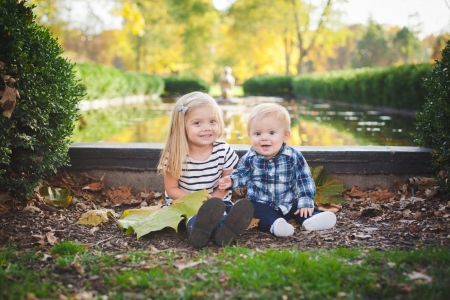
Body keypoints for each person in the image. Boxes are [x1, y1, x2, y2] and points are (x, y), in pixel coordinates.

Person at [219, 103, 336, 237]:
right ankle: (276, 225)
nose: (264, 137)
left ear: (285, 136)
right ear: (249, 136)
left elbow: (304, 179)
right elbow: (242, 174)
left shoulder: (293, 156)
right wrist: (231, 181)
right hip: (262, 203)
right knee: (254, 210)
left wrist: (305, 200)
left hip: (290, 201)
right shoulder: (249, 158)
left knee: (303, 207)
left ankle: (312, 219)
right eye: (257, 133)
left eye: (272, 132)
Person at [157, 91, 253, 247]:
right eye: (197, 123)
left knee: (224, 211)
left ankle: (224, 230)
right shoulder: (176, 153)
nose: (207, 128)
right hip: (184, 201)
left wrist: (213, 200)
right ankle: (198, 231)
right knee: (192, 217)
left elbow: (226, 183)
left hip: (216, 200)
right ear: (182, 126)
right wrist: (197, 201)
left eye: (212, 121)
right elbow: (172, 189)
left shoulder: (223, 150)